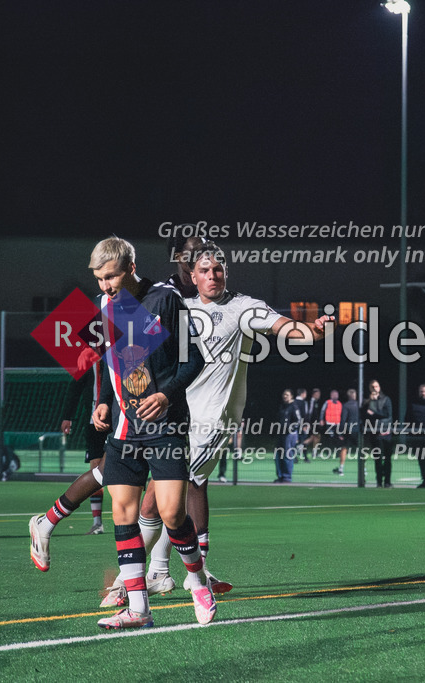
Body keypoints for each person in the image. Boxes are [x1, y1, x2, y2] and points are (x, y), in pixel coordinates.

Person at [114, 242, 334, 606]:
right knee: (173, 496)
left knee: (155, 500)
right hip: (181, 418)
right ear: (193, 277)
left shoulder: (243, 307)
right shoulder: (180, 309)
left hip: (213, 422)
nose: (212, 276)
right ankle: (162, 572)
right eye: (204, 271)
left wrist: (313, 331)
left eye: (218, 270)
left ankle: (129, 581)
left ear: (226, 272)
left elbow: (284, 328)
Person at [81, 236, 214, 629]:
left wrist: (165, 393)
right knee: (123, 512)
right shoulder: (106, 305)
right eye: (99, 279)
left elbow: (194, 360)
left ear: (130, 268)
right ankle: (139, 610)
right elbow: (113, 361)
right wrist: (103, 399)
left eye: (111, 276)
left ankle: (198, 579)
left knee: (172, 513)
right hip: (125, 426)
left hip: (166, 422)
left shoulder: (164, 300)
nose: (105, 286)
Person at [29, 354, 109, 574]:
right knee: (99, 473)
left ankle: (150, 571)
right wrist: (68, 415)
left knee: (122, 481)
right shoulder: (92, 352)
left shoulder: (129, 343)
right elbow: (75, 385)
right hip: (97, 421)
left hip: (126, 417)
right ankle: (96, 522)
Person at [362, 379, 393, 487]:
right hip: (375, 433)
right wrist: (370, 402)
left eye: (376, 386)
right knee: (378, 459)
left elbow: (386, 414)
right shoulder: (367, 401)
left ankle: (387, 481)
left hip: (386, 432)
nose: (375, 388)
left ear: (379, 387)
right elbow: (364, 414)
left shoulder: (386, 399)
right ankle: (379, 481)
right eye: (372, 387)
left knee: (387, 459)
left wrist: (373, 413)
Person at [275, 389, 302, 482]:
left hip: (289, 434)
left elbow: (298, 421)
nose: (285, 396)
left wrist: (290, 429)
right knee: (278, 455)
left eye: (287, 395)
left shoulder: (294, 407)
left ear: (291, 396)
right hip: (281, 433)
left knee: (287, 455)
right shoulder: (282, 406)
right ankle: (280, 475)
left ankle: (287, 476)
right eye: (284, 394)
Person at [334, 388, 360, 476]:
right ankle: (364, 469)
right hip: (357, 430)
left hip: (348, 430)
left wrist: (340, 432)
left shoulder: (345, 405)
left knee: (344, 448)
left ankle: (341, 468)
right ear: (355, 395)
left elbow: (343, 419)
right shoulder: (359, 405)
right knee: (360, 449)